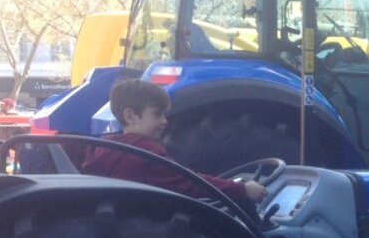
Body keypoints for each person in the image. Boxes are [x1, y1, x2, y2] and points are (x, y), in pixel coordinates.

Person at [82, 78, 267, 206]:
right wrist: (241, 189)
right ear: (130, 116)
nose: (164, 121)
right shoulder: (143, 152)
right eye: (157, 114)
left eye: (165, 115)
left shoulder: (105, 148)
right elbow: (190, 182)